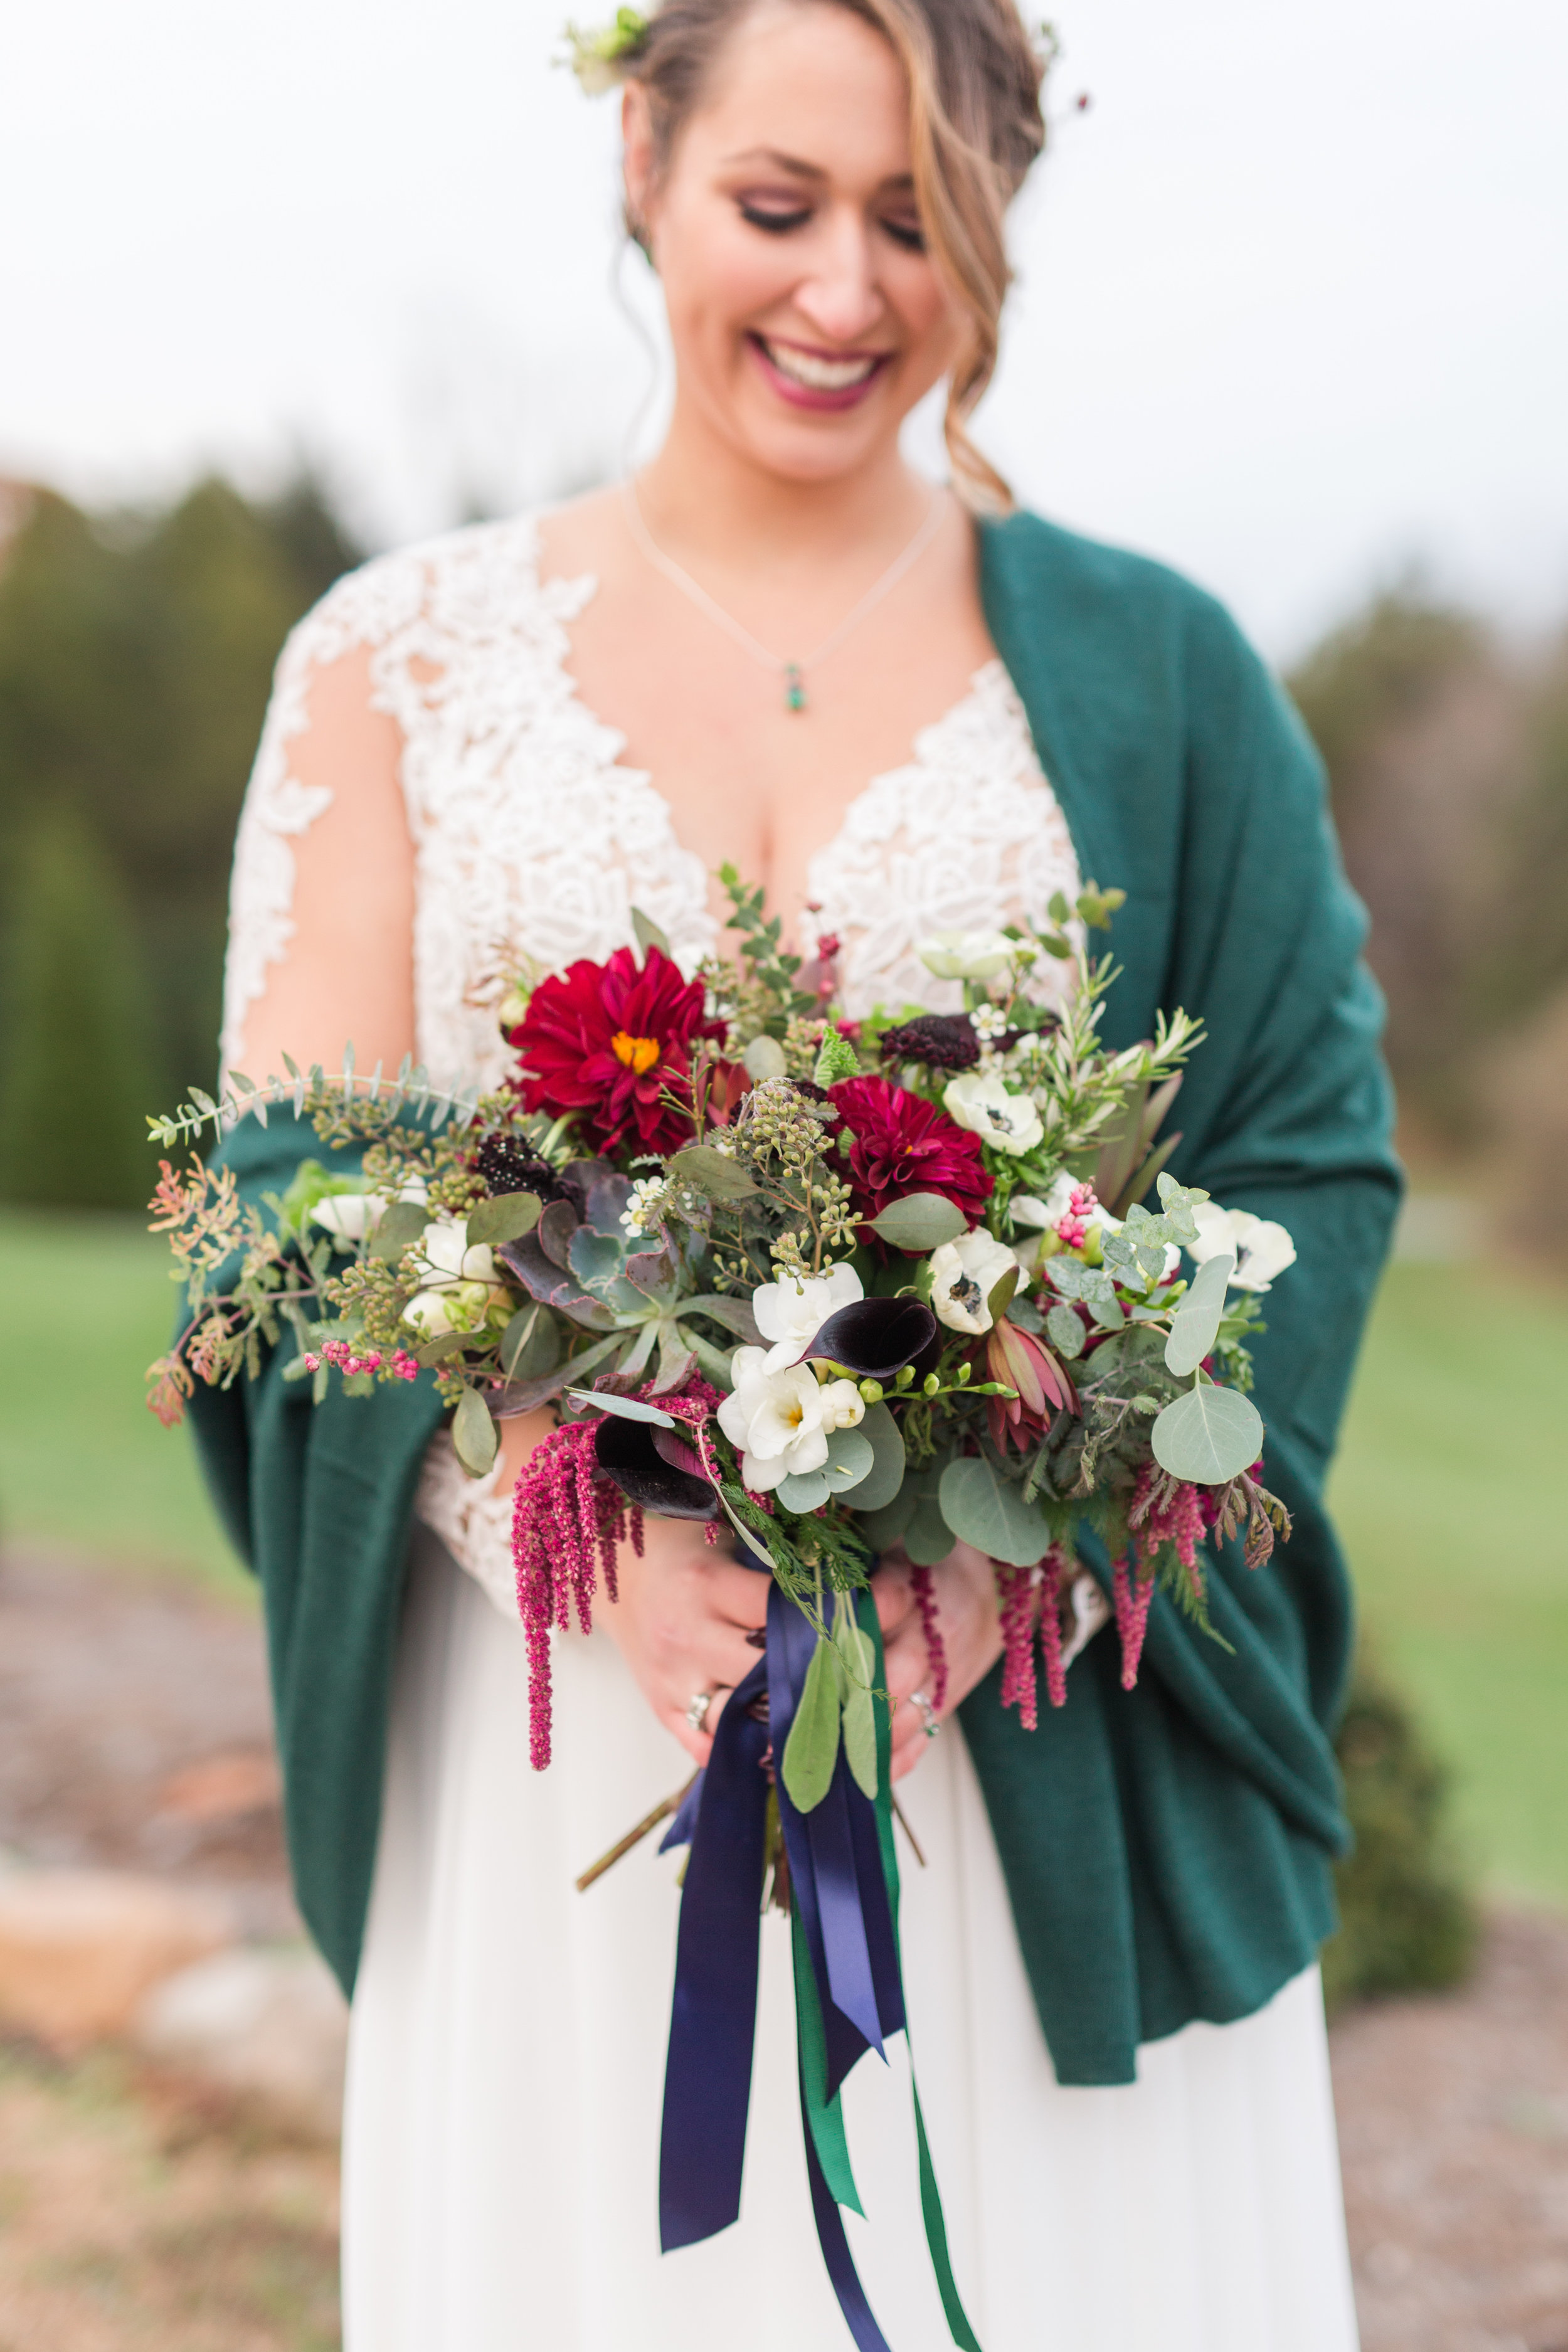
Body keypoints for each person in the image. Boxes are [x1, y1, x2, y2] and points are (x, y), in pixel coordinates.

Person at [206, 0, 1399, 2343]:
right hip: (564, 1751)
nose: (847, 294)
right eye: (779, 207)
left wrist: (1047, 1531)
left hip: (1026, 1738)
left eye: (917, 225)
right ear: (641, 154)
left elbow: (1309, 1168)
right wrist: (540, 1506)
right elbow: (287, 1193)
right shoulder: (400, 660)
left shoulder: (1161, 673)